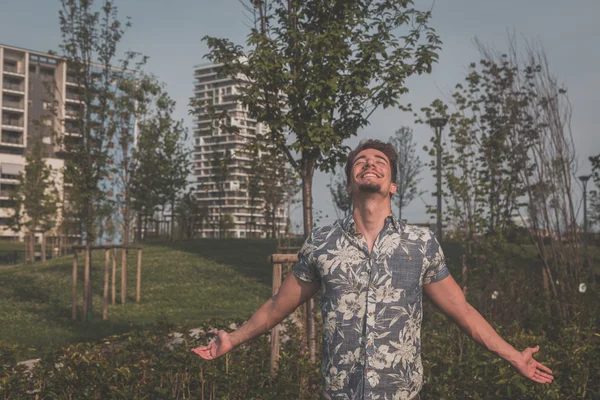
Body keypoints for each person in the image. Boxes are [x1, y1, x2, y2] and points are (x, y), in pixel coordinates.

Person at [192, 139, 553, 399]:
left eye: (379, 160)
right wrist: (233, 339)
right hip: (340, 393)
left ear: (392, 184)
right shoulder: (322, 243)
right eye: (360, 161)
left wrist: (512, 355)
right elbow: (277, 307)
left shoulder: (420, 243)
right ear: (350, 185)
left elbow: (462, 311)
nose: (369, 162)